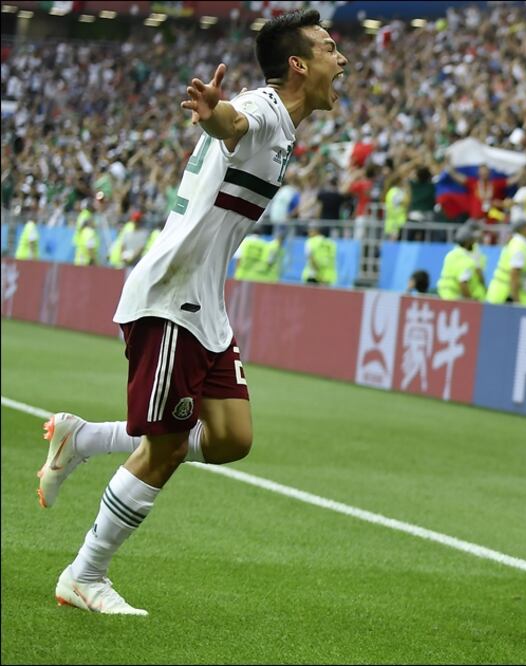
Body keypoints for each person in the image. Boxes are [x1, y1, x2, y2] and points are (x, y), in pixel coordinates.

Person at [36, 9, 349, 615]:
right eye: (331, 48)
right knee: (169, 446)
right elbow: (236, 120)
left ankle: (83, 437)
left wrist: (224, 117)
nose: (343, 60)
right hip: (171, 296)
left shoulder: (283, 125)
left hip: (204, 303)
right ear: (298, 64)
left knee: (232, 438)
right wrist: (218, 112)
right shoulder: (264, 111)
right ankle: (85, 574)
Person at [486, 218, 526, 305]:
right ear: (524, 228)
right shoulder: (519, 246)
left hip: (503, 294)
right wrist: (516, 300)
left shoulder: (517, 242)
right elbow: (514, 274)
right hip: (506, 297)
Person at [437, 223, 485, 300]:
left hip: (442, 294)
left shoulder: (450, 255)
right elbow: (463, 283)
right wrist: (470, 302)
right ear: (468, 242)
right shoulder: (468, 261)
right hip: (455, 299)